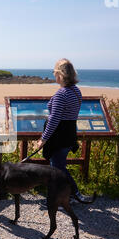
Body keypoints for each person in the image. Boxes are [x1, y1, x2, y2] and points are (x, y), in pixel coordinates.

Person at [35, 58, 83, 201]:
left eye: (54, 72)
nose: (54, 76)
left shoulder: (61, 94)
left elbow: (54, 120)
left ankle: (71, 195)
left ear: (60, 74)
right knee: (59, 167)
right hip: (69, 134)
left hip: (59, 137)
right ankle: (70, 195)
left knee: (57, 170)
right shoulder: (76, 91)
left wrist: (43, 139)